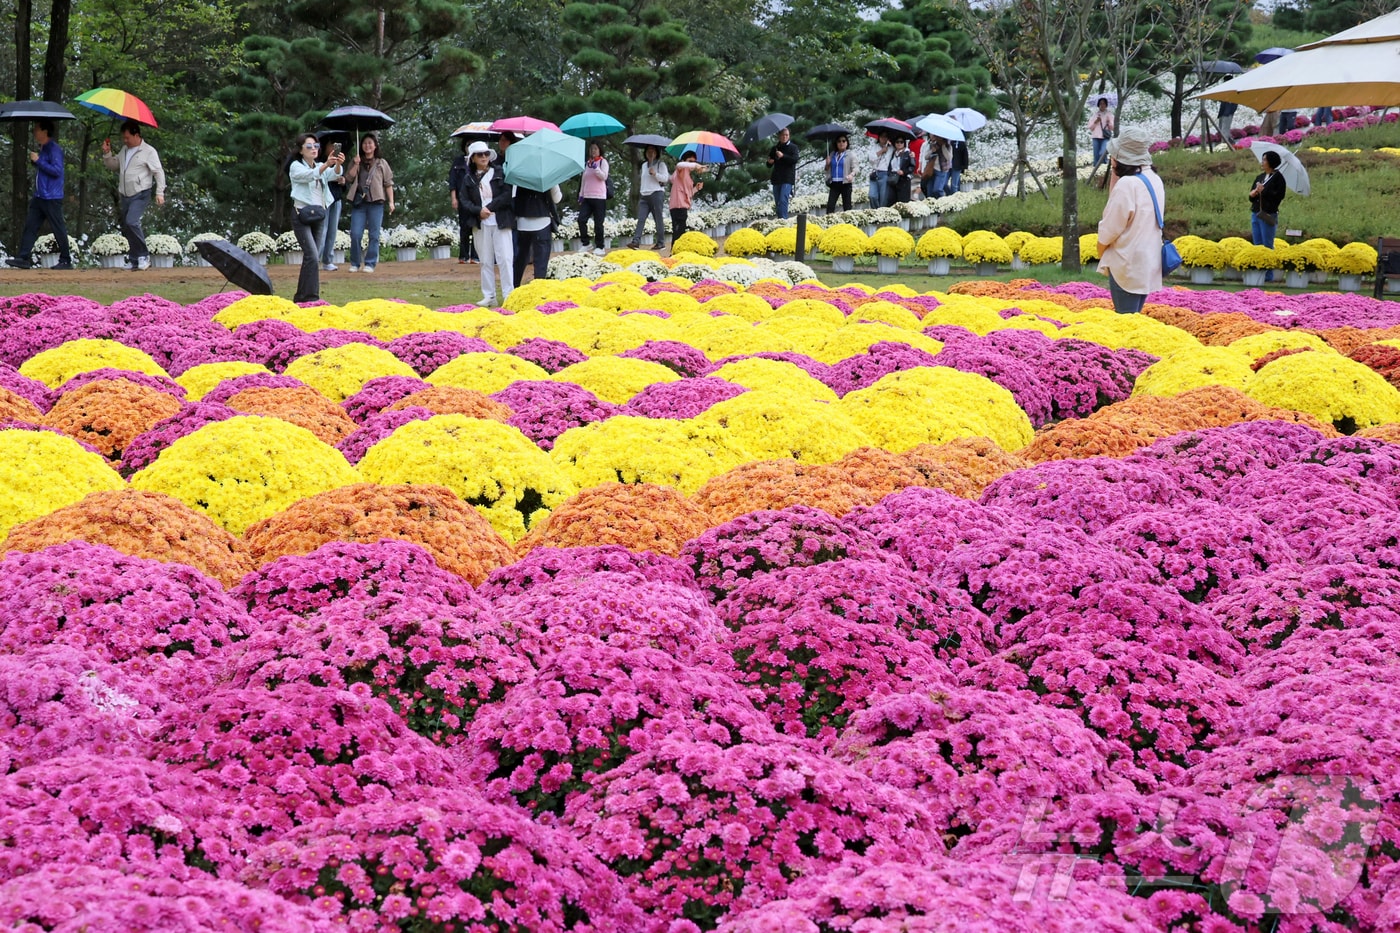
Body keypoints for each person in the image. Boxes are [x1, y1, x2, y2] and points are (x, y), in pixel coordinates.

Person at [1095, 126, 1165, 316]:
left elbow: (1110, 227)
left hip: (1126, 263)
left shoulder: (1128, 184)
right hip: (1148, 261)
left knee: (1125, 320)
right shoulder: (1154, 179)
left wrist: (1100, 250)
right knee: (1133, 316)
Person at [6, 120, 72, 270]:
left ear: (45, 131)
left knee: (58, 227)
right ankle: (23, 257)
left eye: (36, 129)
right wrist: (37, 162)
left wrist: (39, 160)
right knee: (30, 226)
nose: (34, 132)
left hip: (51, 196)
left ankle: (66, 259)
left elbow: (57, 171)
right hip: (40, 195)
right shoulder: (43, 148)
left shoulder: (54, 149)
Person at [100, 120, 165, 271]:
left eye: (127, 137)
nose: (125, 140)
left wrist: (160, 192)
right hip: (125, 194)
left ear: (137, 135)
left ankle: (144, 255)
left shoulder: (148, 151)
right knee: (127, 226)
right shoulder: (124, 150)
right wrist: (107, 153)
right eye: (123, 138)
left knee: (132, 222)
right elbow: (114, 166)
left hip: (141, 193)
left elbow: (158, 172)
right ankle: (134, 259)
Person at [287, 132, 343, 303]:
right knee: (311, 254)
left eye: (316, 146)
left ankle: (302, 296)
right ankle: (311, 297)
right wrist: (326, 164)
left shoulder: (320, 165)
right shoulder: (296, 166)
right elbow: (309, 175)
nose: (314, 149)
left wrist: (338, 164)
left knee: (313, 256)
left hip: (319, 214)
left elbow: (334, 175)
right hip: (301, 214)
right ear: (301, 150)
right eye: (309, 146)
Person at [458, 141, 514, 306]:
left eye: (486, 154)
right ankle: (489, 296)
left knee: (505, 258)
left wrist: (488, 207)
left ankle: (509, 295)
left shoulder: (500, 172)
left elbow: (507, 194)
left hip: (500, 220)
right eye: (480, 155)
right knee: (485, 260)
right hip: (481, 223)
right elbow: (464, 200)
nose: (484, 157)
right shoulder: (468, 179)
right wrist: (478, 211)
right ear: (473, 158)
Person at [344, 133, 394, 273]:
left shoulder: (381, 163)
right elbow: (349, 177)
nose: (367, 145)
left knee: (374, 235)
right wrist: (356, 164)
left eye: (370, 143)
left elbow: (388, 183)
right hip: (359, 202)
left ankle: (370, 263)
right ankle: (355, 262)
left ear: (375, 145)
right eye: (365, 143)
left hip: (376, 203)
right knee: (355, 234)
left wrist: (391, 202)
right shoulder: (356, 161)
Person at [512, 178, 562, 287]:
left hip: (522, 222)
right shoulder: (547, 174)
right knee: (541, 261)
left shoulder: (518, 173)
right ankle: (538, 288)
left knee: (520, 258)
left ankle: (514, 287)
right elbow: (557, 198)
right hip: (542, 221)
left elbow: (512, 196)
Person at [1249, 149, 1286, 282]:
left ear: (1271, 162)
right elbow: (1251, 195)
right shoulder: (1260, 177)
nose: (1262, 162)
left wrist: (1264, 191)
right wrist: (1253, 193)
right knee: (1257, 244)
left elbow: (1278, 196)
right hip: (1256, 213)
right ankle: (1258, 272)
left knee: (1267, 244)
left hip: (1268, 214)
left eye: (1264, 160)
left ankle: (1268, 275)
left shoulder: (1278, 178)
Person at [627, 146, 669, 249]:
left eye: (653, 151)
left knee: (658, 219)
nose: (650, 153)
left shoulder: (660, 164)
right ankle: (636, 241)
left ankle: (660, 242)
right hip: (644, 195)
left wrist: (655, 174)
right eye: (648, 151)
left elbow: (665, 179)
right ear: (645, 153)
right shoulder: (644, 165)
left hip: (656, 193)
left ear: (657, 153)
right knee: (641, 219)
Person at [447, 139, 480, 264]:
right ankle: (464, 256)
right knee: (464, 227)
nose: (469, 146)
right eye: (468, 144)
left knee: (477, 227)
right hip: (462, 199)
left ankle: (475, 256)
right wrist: (454, 198)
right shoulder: (458, 162)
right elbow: (453, 181)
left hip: (477, 200)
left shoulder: (479, 161)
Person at [668, 150, 706, 247]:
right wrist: (696, 165)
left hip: (683, 206)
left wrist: (696, 189)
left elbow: (688, 194)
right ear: (685, 160)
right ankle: (674, 252)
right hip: (678, 205)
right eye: (690, 161)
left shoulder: (688, 176)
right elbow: (679, 165)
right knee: (678, 232)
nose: (692, 163)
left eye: (694, 161)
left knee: (680, 231)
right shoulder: (681, 170)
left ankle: (676, 251)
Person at [578, 142, 610, 254]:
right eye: (591, 149)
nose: (593, 151)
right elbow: (584, 180)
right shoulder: (587, 163)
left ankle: (600, 246)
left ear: (600, 150)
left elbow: (603, 176)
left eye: (595, 148)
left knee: (598, 223)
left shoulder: (603, 162)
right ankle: (586, 243)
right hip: (587, 196)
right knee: (581, 220)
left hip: (599, 197)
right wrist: (581, 195)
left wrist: (596, 167)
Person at [767, 127, 798, 219]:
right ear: (779, 136)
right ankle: (780, 219)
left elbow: (794, 160)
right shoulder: (775, 148)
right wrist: (769, 162)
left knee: (783, 199)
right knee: (778, 201)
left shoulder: (793, 147)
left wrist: (783, 156)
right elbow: (769, 163)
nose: (784, 137)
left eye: (786, 135)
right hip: (777, 178)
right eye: (783, 135)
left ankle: (783, 220)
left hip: (787, 178)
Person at [825, 134, 854, 213]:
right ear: (836, 143)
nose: (841, 143)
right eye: (839, 141)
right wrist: (827, 164)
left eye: (843, 141)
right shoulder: (832, 154)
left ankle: (848, 224)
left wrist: (851, 175)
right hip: (834, 183)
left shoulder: (850, 154)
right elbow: (827, 169)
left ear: (847, 143)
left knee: (847, 206)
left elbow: (855, 168)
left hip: (845, 183)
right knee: (830, 205)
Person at [921, 135, 951, 200]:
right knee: (929, 192)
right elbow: (926, 157)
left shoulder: (948, 146)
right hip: (931, 170)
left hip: (941, 170)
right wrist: (932, 151)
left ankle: (944, 203)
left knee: (937, 190)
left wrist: (943, 147)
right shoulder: (933, 145)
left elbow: (948, 158)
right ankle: (932, 207)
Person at [1088, 98, 1115, 171]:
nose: (1102, 105)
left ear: (1106, 105)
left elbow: (1112, 127)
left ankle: (1104, 167)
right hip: (1096, 137)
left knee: (1102, 153)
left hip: (1105, 137)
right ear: (1098, 105)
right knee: (1096, 155)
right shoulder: (1095, 115)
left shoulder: (1109, 115)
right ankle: (1096, 171)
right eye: (1100, 104)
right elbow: (1090, 127)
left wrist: (1109, 122)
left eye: (1103, 103)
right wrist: (1096, 122)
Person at [889, 136, 915, 204]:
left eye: (901, 142)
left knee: (903, 201)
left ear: (904, 143)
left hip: (904, 179)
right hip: (894, 178)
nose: (899, 144)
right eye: (897, 142)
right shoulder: (893, 153)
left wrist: (904, 172)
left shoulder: (908, 153)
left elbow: (912, 167)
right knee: (893, 200)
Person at [869, 134, 893, 208]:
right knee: (872, 195)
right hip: (875, 173)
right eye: (882, 136)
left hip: (885, 173)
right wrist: (882, 151)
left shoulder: (892, 148)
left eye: (885, 136)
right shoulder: (874, 147)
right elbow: (871, 159)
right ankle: (875, 212)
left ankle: (881, 213)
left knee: (883, 198)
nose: (883, 138)